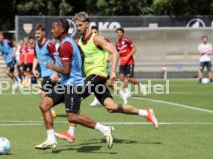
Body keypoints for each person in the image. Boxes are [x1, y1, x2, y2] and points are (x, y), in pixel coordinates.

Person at [55, 12, 158, 143]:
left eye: (80, 25)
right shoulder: (79, 42)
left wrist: (113, 72)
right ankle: (146, 113)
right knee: (111, 107)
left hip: (98, 74)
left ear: (87, 24)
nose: (79, 28)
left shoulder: (96, 38)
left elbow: (115, 52)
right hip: (93, 77)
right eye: (77, 25)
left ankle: (71, 132)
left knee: (75, 95)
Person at [34, 19, 114, 150]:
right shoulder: (70, 42)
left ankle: (105, 129)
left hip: (73, 85)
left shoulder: (65, 45)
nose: (52, 30)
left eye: (54, 28)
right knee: (44, 104)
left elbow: (66, 70)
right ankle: (51, 139)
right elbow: (81, 55)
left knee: (72, 117)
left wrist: (51, 66)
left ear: (62, 30)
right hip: (65, 83)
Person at [88, 26, 123, 107]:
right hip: (96, 66)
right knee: (106, 83)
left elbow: (113, 51)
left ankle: (96, 100)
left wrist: (109, 58)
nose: (94, 34)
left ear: (98, 32)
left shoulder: (103, 39)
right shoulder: (91, 41)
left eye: (95, 32)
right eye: (92, 32)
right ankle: (122, 94)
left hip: (103, 66)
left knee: (99, 83)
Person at [115, 27, 147, 104]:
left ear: (123, 33)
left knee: (129, 78)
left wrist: (128, 56)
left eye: (120, 32)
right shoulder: (117, 44)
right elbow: (118, 53)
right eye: (117, 32)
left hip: (129, 62)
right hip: (122, 63)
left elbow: (134, 48)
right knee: (121, 78)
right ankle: (127, 92)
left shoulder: (127, 40)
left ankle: (140, 86)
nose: (119, 34)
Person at [32, 24, 57, 117]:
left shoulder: (49, 44)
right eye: (35, 33)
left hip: (51, 73)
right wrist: (33, 69)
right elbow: (36, 57)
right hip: (44, 73)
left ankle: (50, 110)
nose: (37, 35)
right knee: (56, 94)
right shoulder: (36, 45)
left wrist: (56, 73)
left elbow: (57, 58)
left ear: (43, 33)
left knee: (42, 92)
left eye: (39, 33)